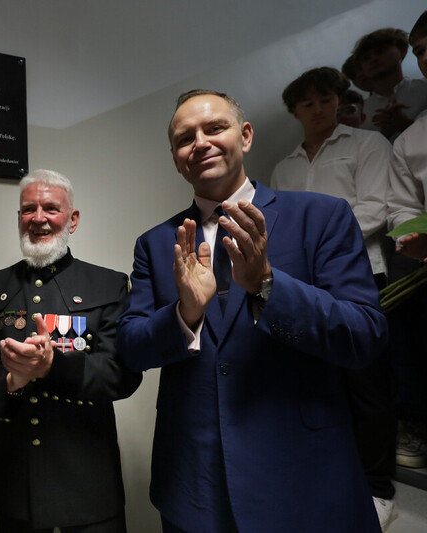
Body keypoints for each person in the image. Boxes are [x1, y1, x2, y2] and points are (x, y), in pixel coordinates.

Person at [117, 90, 387, 532]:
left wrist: (267, 284)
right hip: (195, 483)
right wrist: (185, 313)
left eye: (214, 128)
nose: (200, 143)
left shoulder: (322, 217)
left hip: (306, 476)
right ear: (176, 160)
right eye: (185, 138)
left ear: (245, 136)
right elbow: (131, 349)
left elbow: (364, 337)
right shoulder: (156, 243)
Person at [0, 169, 142, 532]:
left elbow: (123, 374)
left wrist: (53, 366)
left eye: (51, 209)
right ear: (19, 218)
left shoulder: (108, 285)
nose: (38, 218)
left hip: (89, 483)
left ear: (73, 219)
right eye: (28, 209)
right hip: (13, 485)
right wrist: (12, 380)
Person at [270, 67, 397, 531]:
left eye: (325, 99)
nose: (318, 109)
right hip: (301, 287)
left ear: (339, 100)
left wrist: (316, 248)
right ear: (295, 112)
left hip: (358, 276)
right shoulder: (284, 166)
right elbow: (278, 227)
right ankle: (334, 477)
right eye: (307, 104)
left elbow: (376, 208)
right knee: (321, 384)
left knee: (367, 384)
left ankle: (379, 489)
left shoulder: (367, 144)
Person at [385, 9, 427, 473]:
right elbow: (401, 206)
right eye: (419, 51)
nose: (425, 57)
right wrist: (413, 233)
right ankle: (414, 422)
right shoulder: (410, 140)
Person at [353, 27, 427, 139]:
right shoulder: (360, 112)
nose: (373, 59)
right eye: (365, 58)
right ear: (361, 68)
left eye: (380, 51)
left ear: (402, 51)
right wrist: (384, 135)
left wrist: (406, 125)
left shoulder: (425, 88)